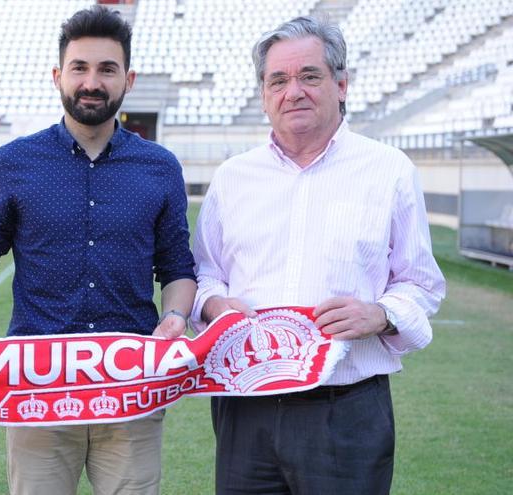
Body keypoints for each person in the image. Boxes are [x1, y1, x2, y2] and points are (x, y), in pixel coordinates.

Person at [0, 5, 196, 494]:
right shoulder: (16, 161)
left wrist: (177, 317)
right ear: (58, 75)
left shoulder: (160, 167)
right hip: (37, 384)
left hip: (132, 385)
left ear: (129, 79)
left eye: (106, 69)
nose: (91, 82)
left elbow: (177, 265)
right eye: (79, 68)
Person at [190, 16, 446, 494]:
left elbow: (421, 283)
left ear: (341, 84)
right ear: (264, 93)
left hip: (345, 409)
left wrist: (381, 314)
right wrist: (212, 305)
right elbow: (207, 273)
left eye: (310, 76)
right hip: (245, 407)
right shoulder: (232, 178)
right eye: (279, 80)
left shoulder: (388, 171)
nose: (294, 92)